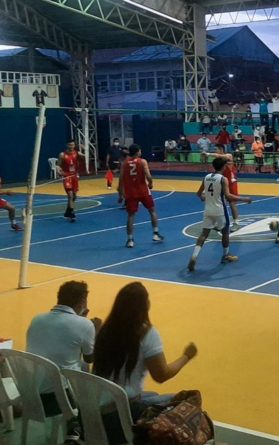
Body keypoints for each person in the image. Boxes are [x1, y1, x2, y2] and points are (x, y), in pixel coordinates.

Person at [93, 282, 197, 420]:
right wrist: (186, 356)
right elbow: (161, 375)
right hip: (120, 414)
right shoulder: (146, 333)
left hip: (94, 409)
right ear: (144, 305)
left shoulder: (105, 330)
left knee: (152, 394)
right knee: (188, 399)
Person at [26, 280, 102, 444]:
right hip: (57, 399)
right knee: (85, 369)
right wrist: (96, 331)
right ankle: (78, 424)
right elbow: (90, 357)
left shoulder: (37, 319)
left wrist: (82, 322)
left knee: (77, 364)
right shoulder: (85, 325)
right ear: (82, 302)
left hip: (30, 393)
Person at [188, 157, 252, 272]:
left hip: (208, 210)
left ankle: (194, 256)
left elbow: (199, 194)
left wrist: (204, 197)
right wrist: (244, 199)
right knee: (225, 232)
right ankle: (226, 255)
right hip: (220, 210)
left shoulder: (206, 177)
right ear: (223, 167)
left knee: (204, 234)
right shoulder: (223, 179)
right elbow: (228, 196)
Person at [118, 144, 163, 248]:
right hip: (143, 191)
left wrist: (120, 195)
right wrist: (151, 183)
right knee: (152, 211)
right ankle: (155, 234)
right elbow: (148, 176)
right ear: (138, 152)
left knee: (131, 216)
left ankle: (130, 240)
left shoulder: (124, 164)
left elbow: (120, 181)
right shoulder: (142, 162)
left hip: (131, 193)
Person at [211, 144, 242, 230]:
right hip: (222, 182)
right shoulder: (217, 160)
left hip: (231, 183)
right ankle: (221, 222)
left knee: (232, 203)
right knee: (219, 203)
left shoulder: (228, 156)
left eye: (216, 149)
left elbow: (223, 156)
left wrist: (208, 154)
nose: (215, 151)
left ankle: (236, 223)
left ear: (221, 149)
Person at [58, 139, 82, 222]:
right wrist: (59, 171)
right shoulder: (62, 155)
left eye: (73, 145)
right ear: (67, 145)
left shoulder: (77, 153)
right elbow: (58, 165)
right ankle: (72, 213)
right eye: (70, 145)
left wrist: (84, 150)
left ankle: (67, 212)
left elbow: (84, 157)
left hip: (74, 177)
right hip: (67, 177)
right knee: (70, 195)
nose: (71, 146)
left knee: (74, 196)